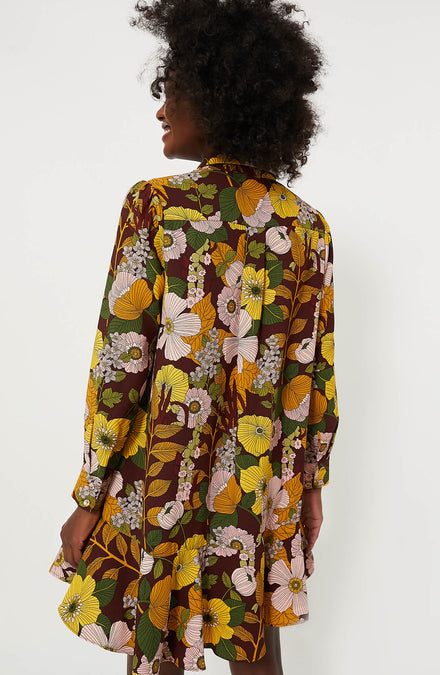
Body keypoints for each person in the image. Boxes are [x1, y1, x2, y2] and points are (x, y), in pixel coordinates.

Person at [48, 1, 339, 674]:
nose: (160, 109)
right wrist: (310, 483)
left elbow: (120, 365)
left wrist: (89, 494)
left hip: (160, 478)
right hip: (259, 481)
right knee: (254, 638)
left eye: (173, 91)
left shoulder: (155, 206)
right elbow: (313, 372)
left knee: (158, 644)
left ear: (217, 96)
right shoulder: (307, 227)